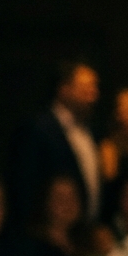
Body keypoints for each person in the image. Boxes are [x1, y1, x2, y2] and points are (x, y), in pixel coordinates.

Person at [9, 61, 102, 226]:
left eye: (94, 88)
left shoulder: (92, 131)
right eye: (85, 88)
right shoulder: (39, 129)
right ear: (64, 89)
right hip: (46, 231)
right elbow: (25, 186)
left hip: (83, 232)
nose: (93, 94)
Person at [31, 175, 107, 256]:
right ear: (46, 202)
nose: (68, 204)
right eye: (60, 198)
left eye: (73, 197)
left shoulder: (87, 242)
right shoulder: (35, 247)